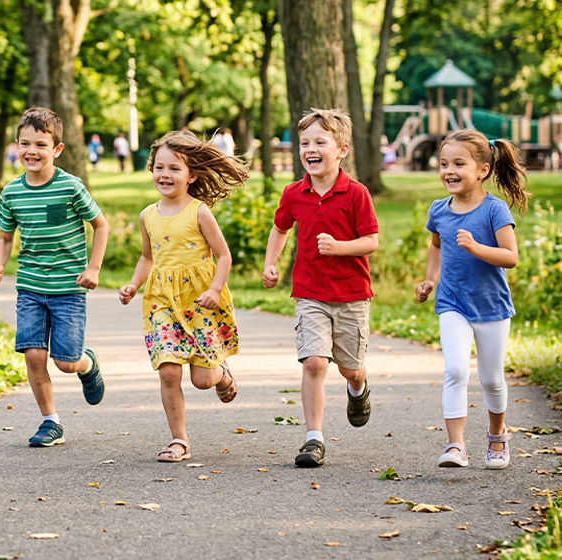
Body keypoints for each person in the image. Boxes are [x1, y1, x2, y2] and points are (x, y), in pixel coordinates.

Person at [117, 131, 247, 462]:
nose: (165, 174)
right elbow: (147, 258)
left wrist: (214, 290)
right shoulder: (147, 215)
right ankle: (179, 440)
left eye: (174, 168)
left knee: (202, 380)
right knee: (168, 370)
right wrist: (133, 285)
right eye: (159, 167)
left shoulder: (199, 212)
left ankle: (221, 373)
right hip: (161, 301)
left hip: (199, 301)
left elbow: (224, 255)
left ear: (192, 175)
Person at [261, 109, 379, 468]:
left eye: (319, 142)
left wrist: (340, 247)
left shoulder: (356, 193)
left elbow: (371, 241)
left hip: (351, 295)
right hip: (309, 293)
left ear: (341, 150)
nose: (310, 149)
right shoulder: (294, 193)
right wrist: (271, 262)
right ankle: (314, 438)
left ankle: (358, 388)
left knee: (350, 368)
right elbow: (280, 228)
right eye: (304, 143)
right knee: (313, 362)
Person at [0, 107, 110, 448]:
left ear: (57, 149)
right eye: (25, 143)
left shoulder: (70, 186)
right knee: (34, 356)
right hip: (30, 287)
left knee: (65, 362)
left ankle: (87, 363)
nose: (32, 151)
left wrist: (94, 268)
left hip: (68, 288)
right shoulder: (12, 192)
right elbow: (5, 237)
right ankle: (50, 421)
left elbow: (100, 225)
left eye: (41, 145)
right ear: (16, 146)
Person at [413, 129, 529, 469]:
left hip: (492, 306)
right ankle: (456, 445)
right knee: (455, 370)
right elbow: (436, 247)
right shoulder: (439, 210)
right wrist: (429, 280)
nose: (449, 171)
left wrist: (477, 248)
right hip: (453, 304)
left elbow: (511, 257)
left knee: (491, 378)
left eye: (458, 164)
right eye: (443, 163)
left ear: (483, 170)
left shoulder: (494, 210)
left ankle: (497, 434)